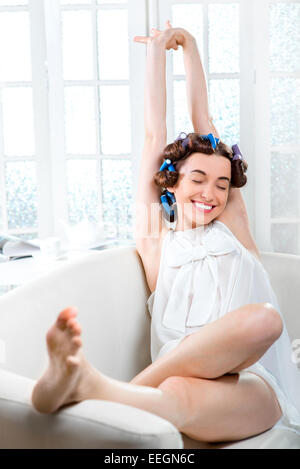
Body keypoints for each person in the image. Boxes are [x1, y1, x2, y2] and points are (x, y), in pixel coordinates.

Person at [31, 22, 300, 443]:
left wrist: (190, 48)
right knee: (175, 394)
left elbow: (204, 121)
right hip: (187, 389)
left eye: (222, 184)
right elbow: (154, 135)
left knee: (264, 319)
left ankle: (125, 385)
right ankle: (91, 389)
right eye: (197, 179)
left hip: (251, 384)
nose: (211, 193)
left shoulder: (233, 230)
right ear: (171, 182)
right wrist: (157, 53)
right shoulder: (159, 243)